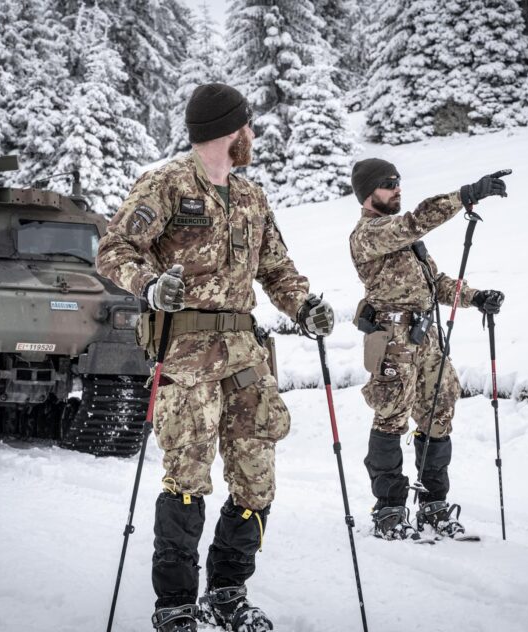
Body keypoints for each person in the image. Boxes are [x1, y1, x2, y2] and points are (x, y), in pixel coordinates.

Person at [96, 83, 334, 632]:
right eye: (247, 126)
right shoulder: (166, 184)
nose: (252, 135)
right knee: (187, 478)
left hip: (246, 358)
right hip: (187, 358)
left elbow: (278, 270)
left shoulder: (251, 197)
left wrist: (304, 307)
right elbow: (114, 250)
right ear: (232, 130)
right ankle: (175, 604)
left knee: (256, 479)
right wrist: (151, 285)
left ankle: (226, 593)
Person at [348, 158, 507, 541]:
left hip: (426, 338)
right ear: (368, 194)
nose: (397, 188)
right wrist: (465, 196)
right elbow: (415, 220)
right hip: (391, 342)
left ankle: (434, 503)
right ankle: (388, 510)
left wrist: (476, 296)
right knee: (391, 418)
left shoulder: (407, 241)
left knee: (439, 412)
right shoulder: (370, 234)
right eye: (388, 184)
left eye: (399, 181)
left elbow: (434, 283)